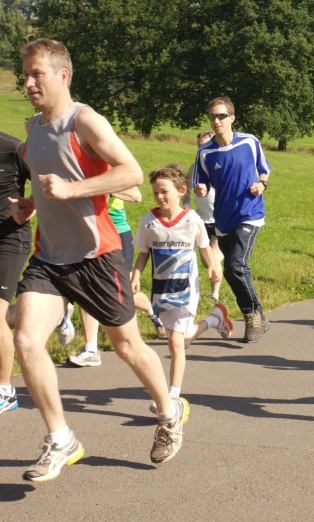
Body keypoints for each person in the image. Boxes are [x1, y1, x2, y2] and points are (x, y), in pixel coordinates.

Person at [11, 38, 189, 481]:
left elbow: (130, 173)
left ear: (63, 75)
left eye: (37, 74)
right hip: (50, 256)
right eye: (25, 74)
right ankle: (60, 439)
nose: (29, 82)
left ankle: (169, 412)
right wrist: (31, 204)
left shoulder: (85, 120)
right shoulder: (33, 128)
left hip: (98, 255)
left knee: (127, 346)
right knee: (27, 341)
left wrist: (72, 191)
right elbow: (53, 180)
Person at [132, 165, 232, 410]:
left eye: (164, 191)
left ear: (180, 191)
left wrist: (212, 267)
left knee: (176, 342)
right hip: (162, 289)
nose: (159, 197)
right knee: (180, 341)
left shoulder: (191, 220)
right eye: (155, 192)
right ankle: (214, 320)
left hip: (187, 288)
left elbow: (204, 246)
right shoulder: (149, 222)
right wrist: (135, 275)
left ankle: (172, 397)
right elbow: (143, 253)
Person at [194, 96, 271, 343]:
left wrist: (261, 184)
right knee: (231, 271)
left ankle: (250, 316)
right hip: (223, 218)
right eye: (213, 117)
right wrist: (200, 190)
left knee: (235, 265)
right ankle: (258, 311)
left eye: (221, 116)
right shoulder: (205, 152)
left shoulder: (249, 142)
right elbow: (200, 181)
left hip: (250, 213)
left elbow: (264, 169)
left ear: (231, 118)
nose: (216, 121)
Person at [66, 192, 170, 368]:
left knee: (122, 292)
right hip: (88, 234)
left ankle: (153, 313)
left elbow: (136, 195)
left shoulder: (114, 166)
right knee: (88, 289)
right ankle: (91, 349)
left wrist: (106, 185)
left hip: (116, 234)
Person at [0, 132, 34, 415]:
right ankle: (48, 310)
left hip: (9, 239)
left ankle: (5, 390)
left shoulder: (14, 148)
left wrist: (26, 208)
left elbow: (46, 187)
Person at [189, 131, 223, 300]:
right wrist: (187, 206)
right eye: (200, 145)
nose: (202, 148)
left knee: (214, 255)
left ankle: (215, 293)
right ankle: (222, 256)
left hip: (218, 217)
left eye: (206, 144)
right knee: (206, 261)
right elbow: (185, 187)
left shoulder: (218, 164)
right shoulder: (194, 167)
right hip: (201, 219)